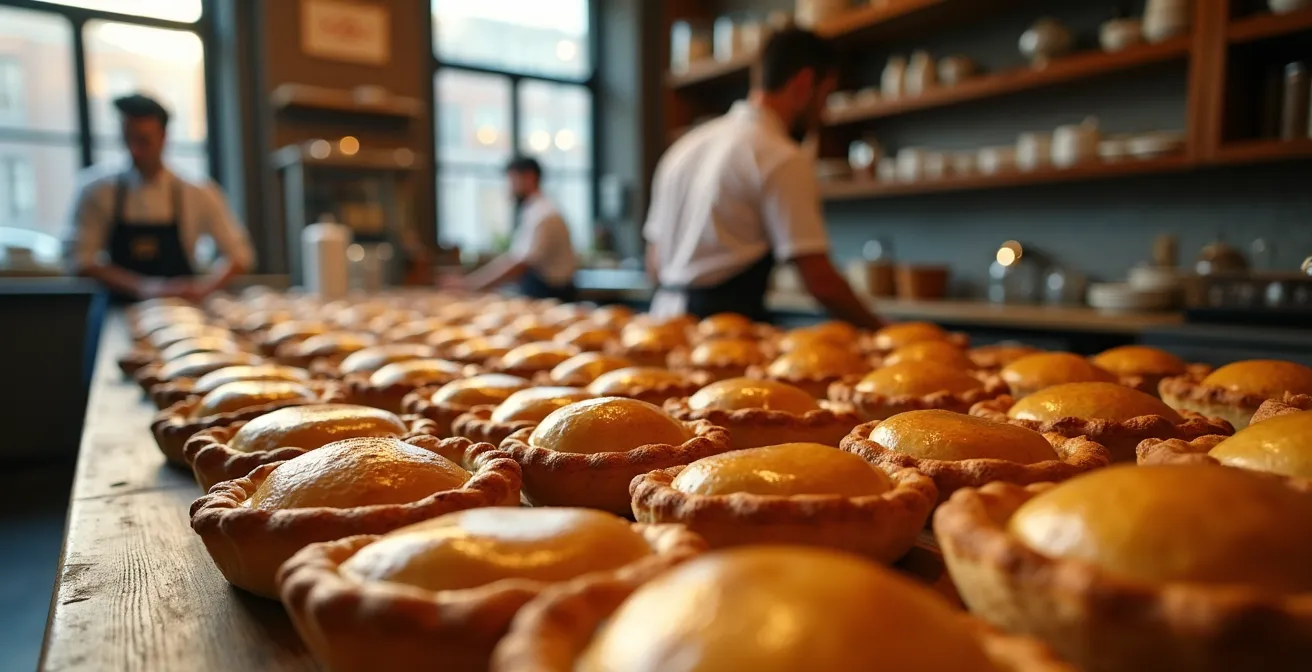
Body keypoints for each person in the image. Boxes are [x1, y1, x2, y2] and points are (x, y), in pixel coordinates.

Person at [643, 28, 884, 328]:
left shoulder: (684, 148)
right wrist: (884, 331)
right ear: (804, 84)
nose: (824, 113)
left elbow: (653, 262)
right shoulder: (779, 154)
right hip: (724, 334)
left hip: (661, 322)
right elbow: (820, 282)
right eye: (825, 97)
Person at [67, 93, 253, 302]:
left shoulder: (198, 192)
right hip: (119, 309)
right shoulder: (97, 190)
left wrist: (204, 288)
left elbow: (240, 256)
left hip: (184, 310)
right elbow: (80, 260)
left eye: (143, 141)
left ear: (164, 137)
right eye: (128, 139)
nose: (135, 150)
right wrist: (143, 287)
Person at [459, 156, 579, 301]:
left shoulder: (544, 214)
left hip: (550, 294)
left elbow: (521, 264)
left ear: (529, 177)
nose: (509, 188)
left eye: (512, 180)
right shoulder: (534, 211)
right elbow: (514, 257)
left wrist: (472, 285)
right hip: (542, 289)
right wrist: (471, 282)